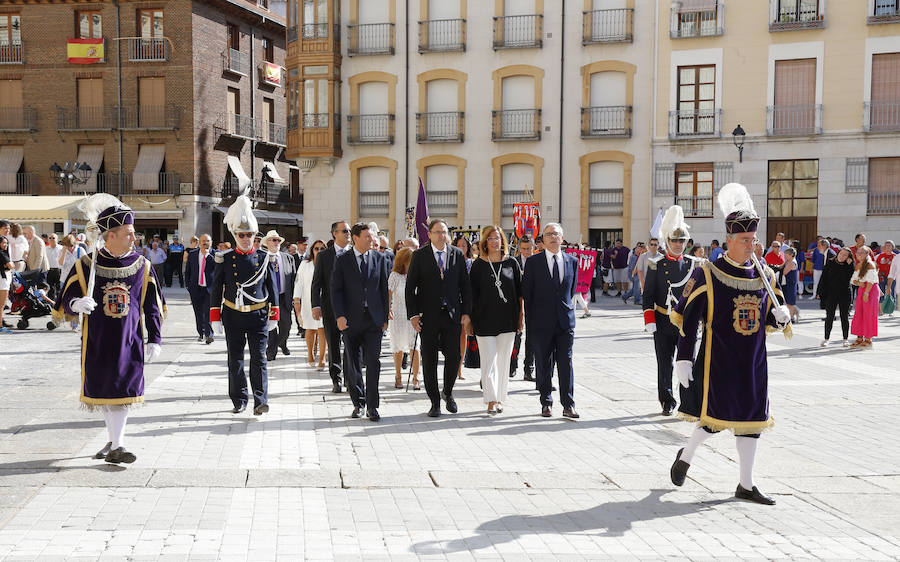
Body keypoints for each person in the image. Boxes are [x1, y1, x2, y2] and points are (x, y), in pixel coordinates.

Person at [668, 183, 791, 506]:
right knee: (714, 418)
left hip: (753, 360)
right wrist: (683, 358)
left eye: (754, 240)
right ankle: (687, 456)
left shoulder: (764, 273)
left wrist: (780, 317)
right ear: (730, 241)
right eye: (745, 240)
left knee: (751, 420)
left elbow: (769, 318)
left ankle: (746, 485)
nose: (751, 245)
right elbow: (689, 317)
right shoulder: (709, 272)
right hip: (718, 358)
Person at [54, 194, 165, 464]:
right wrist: (77, 303)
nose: (134, 238)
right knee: (106, 390)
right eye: (128, 233)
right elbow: (63, 301)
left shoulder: (143, 266)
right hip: (98, 339)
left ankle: (118, 444)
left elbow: (152, 306)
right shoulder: (85, 265)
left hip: (129, 339)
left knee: (123, 390)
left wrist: (155, 339)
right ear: (110, 236)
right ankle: (115, 439)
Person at [209, 194, 279, 416]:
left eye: (249, 234)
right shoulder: (225, 258)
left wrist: (274, 314)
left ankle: (260, 400)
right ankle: (239, 400)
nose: (246, 238)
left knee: (259, 360)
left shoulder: (264, 257)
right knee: (235, 360)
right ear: (235, 235)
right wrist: (214, 317)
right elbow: (216, 288)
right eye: (242, 235)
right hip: (233, 314)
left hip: (258, 315)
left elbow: (272, 288)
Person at [406, 219, 472, 418]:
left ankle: (448, 392)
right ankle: (434, 401)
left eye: (444, 232)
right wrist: (414, 315)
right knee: (430, 359)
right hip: (429, 316)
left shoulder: (457, 254)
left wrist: (466, 313)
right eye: (437, 232)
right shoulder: (419, 256)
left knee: (454, 356)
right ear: (430, 235)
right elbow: (410, 288)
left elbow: (465, 286)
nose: (441, 235)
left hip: (452, 315)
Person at [642, 206, 701, 416]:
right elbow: (647, 295)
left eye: (682, 241)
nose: (678, 244)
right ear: (668, 242)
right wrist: (649, 319)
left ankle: (689, 402)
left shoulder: (695, 265)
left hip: (687, 323)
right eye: (675, 241)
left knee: (688, 363)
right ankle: (667, 400)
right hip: (663, 320)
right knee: (664, 364)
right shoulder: (656, 264)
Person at [331, 223, 390, 422]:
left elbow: (383, 289)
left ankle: (373, 406)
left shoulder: (380, 259)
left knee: (374, 362)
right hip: (350, 320)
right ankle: (359, 402)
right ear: (355, 238)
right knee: (353, 364)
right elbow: (336, 290)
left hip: (373, 321)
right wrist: (339, 316)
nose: (371, 240)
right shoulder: (342, 260)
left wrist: (384, 317)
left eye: (372, 236)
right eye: (367, 236)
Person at [522, 222, 580, 419]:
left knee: (566, 363)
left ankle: (568, 404)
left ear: (562, 238)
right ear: (543, 240)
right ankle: (546, 402)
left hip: (565, 322)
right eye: (549, 234)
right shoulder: (533, 262)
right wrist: (530, 323)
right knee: (543, 363)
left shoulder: (572, 261)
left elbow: (570, 291)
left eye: (557, 234)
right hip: (541, 323)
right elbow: (527, 295)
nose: (553, 237)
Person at [469, 226, 523, 414]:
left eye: (497, 238)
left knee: (503, 362)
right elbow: (471, 295)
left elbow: (520, 294)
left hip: (508, 320)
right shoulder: (478, 265)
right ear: (485, 242)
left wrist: (521, 318)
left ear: (502, 241)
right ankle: (490, 399)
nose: (494, 241)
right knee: (488, 361)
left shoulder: (512, 263)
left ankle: (500, 399)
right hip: (483, 320)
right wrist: (469, 320)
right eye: (490, 238)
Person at [311, 221, 352, 393]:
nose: (348, 233)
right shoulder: (324, 256)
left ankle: (351, 380)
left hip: (351, 309)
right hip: (330, 308)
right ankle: (336, 379)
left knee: (351, 345)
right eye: (344, 231)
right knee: (333, 345)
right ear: (335, 233)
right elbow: (316, 283)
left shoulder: (354, 254)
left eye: (349, 231)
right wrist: (315, 305)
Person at [387, 247, 420, 390]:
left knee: (415, 345)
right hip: (398, 314)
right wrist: (387, 310)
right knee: (398, 346)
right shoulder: (395, 276)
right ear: (404, 261)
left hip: (413, 314)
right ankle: (398, 375)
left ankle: (416, 378)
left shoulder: (418, 275)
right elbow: (388, 295)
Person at [293, 239, 327, 368]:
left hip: (323, 301)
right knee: (310, 329)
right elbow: (299, 283)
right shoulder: (305, 264)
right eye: (316, 248)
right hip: (308, 301)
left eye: (322, 248)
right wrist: (297, 300)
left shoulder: (328, 263)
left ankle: (322, 358)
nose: (319, 251)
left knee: (322, 329)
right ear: (312, 250)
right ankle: (310, 354)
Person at [263, 230, 295, 361]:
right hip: (269, 299)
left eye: (278, 240)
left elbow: (293, 280)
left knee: (286, 326)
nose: (276, 243)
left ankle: (281, 343)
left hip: (284, 297)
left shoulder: (288, 258)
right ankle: (271, 352)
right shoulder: (262, 257)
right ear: (267, 243)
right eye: (273, 240)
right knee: (271, 327)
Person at [817, 246, 854, 347]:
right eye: (841, 253)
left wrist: (850, 265)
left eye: (845, 255)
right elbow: (823, 278)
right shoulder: (830, 262)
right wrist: (819, 292)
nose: (842, 256)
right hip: (831, 293)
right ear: (838, 253)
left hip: (844, 293)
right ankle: (826, 339)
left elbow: (850, 278)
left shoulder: (849, 265)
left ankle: (845, 339)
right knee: (829, 316)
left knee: (844, 316)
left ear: (848, 257)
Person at [511, 235, 535, 381]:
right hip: (516, 303)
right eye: (523, 249)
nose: (526, 252)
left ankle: (529, 370)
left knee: (531, 338)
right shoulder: (513, 262)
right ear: (519, 248)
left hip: (533, 304)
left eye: (529, 249)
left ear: (533, 247)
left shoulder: (538, 261)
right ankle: (512, 366)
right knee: (516, 336)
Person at [184, 234, 215, 344]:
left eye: (207, 241)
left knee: (208, 312)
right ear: (199, 242)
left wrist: (208, 256)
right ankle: (201, 333)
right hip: (195, 288)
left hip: (209, 289)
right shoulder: (192, 254)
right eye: (202, 240)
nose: (204, 243)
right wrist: (188, 285)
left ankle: (209, 334)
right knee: (198, 312)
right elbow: (187, 271)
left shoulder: (215, 255)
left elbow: (219, 271)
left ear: (211, 242)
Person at [453, 234, 476, 380]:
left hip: (467, 303)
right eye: (459, 245)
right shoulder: (451, 261)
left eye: (464, 245)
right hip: (453, 302)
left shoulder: (472, 263)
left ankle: (459, 367)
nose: (461, 248)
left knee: (463, 335)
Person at [849, 247, 880, 348]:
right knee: (859, 313)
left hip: (870, 291)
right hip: (862, 289)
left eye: (862, 253)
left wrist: (866, 293)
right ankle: (859, 338)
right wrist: (858, 283)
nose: (859, 255)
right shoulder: (858, 265)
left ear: (867, 254)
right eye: (858, 253)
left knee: (869, 314)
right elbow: (853, 280)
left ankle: (868, 339)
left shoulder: (870, 264)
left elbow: (871, 280)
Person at [780, 247, 799, 322]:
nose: (785, 256)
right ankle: (795, 313)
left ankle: (791, 317)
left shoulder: (791, 262)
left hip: (790, 284)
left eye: (786, 254)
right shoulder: (788, 261)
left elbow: (784, 272)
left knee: (790, 303)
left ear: (791, 255)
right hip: (787, 283)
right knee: (788, 301)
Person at [0, 224, 13, 333]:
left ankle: (1, 322)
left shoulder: (6, 242)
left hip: (6, 275)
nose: (7, 230)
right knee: (2, 303)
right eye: (5, 228)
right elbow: (9, 264)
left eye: (8, 229)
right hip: (2, 276)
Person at [45, 234, 63, 300]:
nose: (52, 239)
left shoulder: (61, 248)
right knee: (50, 288)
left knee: (59, 288)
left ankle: (58, 303)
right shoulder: (45, 249)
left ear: (57, 239)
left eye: (53, 238)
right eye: (50, 238)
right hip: (49, 270)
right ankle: (51, 304)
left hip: (58, 270)